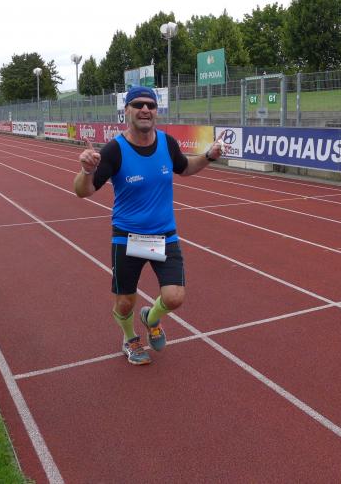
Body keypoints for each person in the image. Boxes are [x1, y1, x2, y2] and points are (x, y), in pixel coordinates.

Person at [74, 86, 228, 365]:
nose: (145, 109)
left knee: (175, 297)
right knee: (125, 302)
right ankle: (130, 338)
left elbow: (185, 167)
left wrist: (208, 156)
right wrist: (86, 171)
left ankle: (151, 318)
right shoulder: (114, 150)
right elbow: (83, 191)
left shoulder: (167, 143)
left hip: (164, 236)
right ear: (127, 111)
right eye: (138, 105)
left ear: (157, 111)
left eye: (151, 105)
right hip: (128, 237)